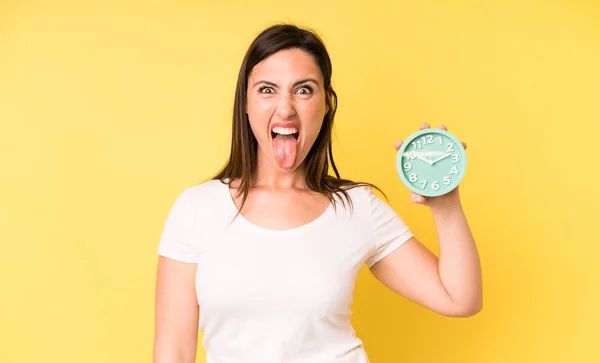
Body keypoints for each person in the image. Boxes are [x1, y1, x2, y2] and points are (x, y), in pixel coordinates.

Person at [153, 23, 482, 363]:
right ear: (246, 103)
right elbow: (173, 351)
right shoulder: (196, 209)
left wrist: (446, 204)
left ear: (326, 104)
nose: (285, 108)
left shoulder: (357, 207)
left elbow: (459, 299)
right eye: (267, 90)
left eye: (304, 90)